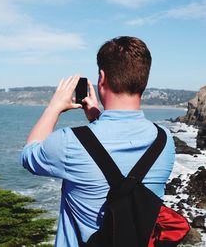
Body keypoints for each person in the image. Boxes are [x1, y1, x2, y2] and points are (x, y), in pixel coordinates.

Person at [20, 36, 175, 247]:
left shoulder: (70, 143)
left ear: (102, 78)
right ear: (144, 81)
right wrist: (96, 118)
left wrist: (54, 107)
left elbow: (29, 156)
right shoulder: (164, 141)